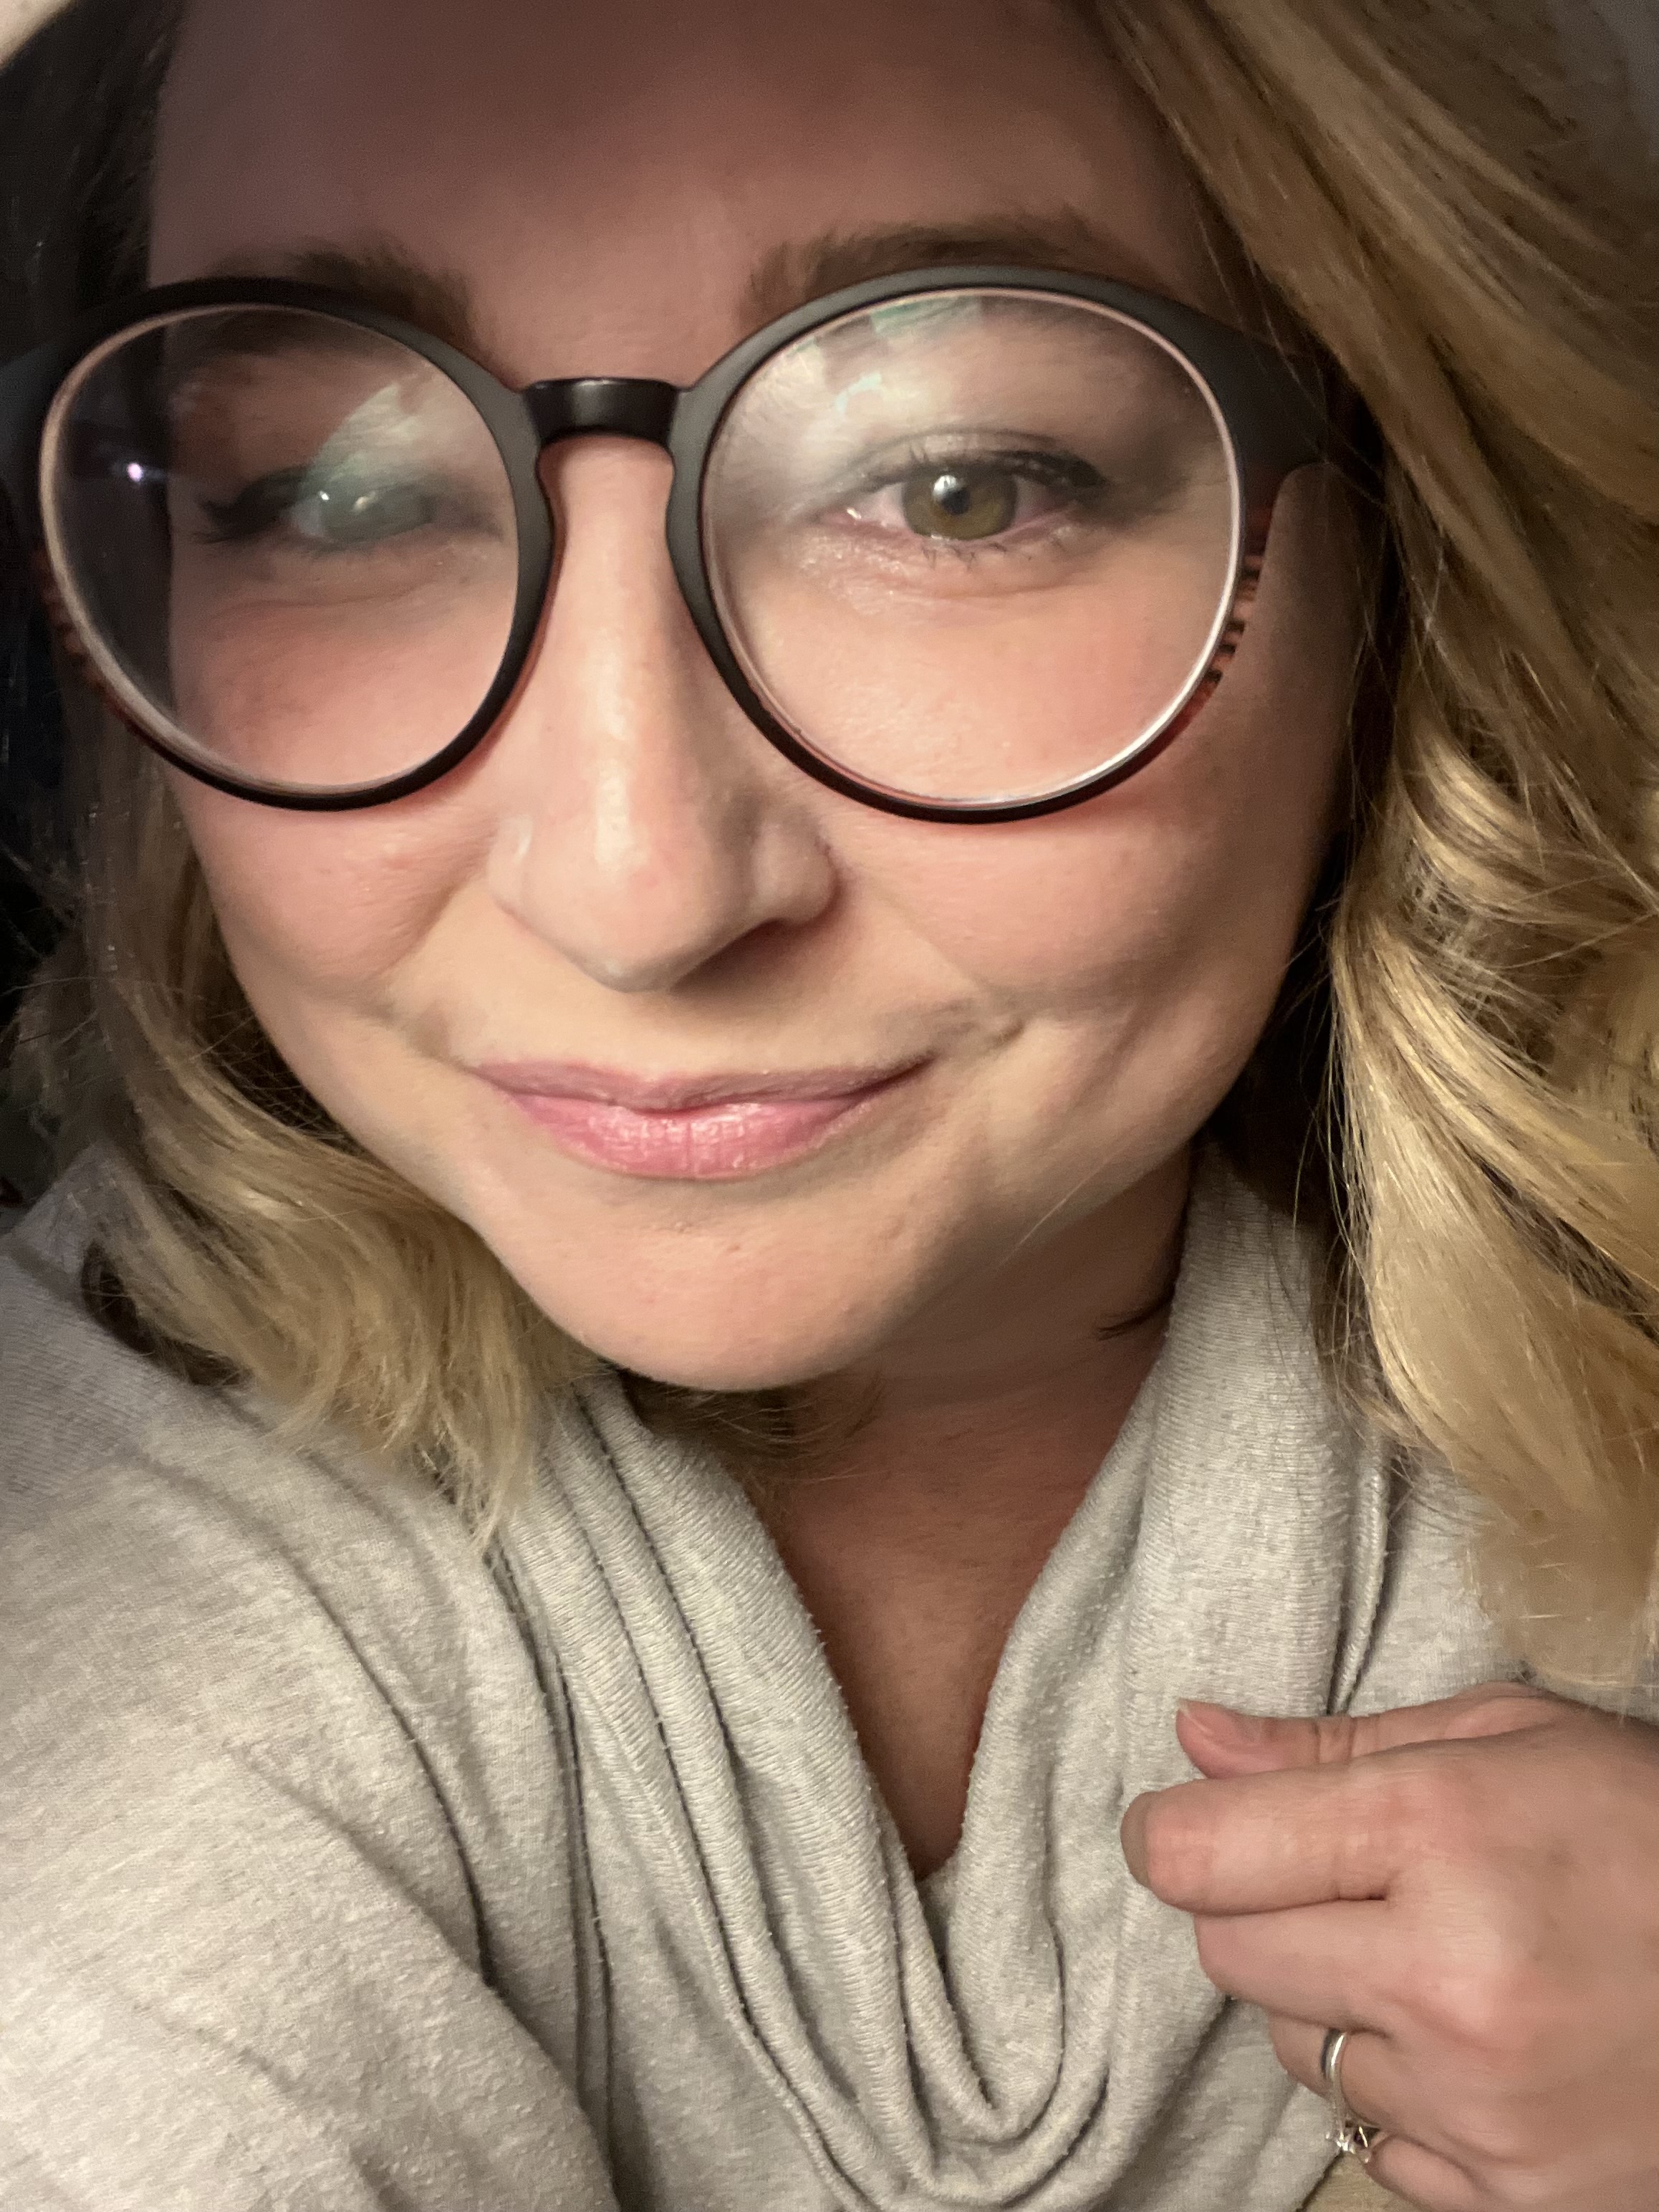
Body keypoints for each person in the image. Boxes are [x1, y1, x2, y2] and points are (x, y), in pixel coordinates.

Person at [1, 0, 1658, 2206]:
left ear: (1400, 534)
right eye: (334, 494)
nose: (637, 891)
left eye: (958, 487)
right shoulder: (84, 1633)